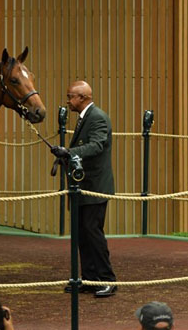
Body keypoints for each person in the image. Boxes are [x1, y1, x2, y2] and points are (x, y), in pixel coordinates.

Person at [51, 80, 116, 297]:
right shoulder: (84, 117)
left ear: (83, 98)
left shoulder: (97, 117)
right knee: (82, 234)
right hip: (82, 186)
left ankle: (107, 279)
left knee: (92, 232)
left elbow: (97, 145)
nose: (68, 101)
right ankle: (90, 279)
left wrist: (69, 153)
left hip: (94, 187)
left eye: (70, 96)